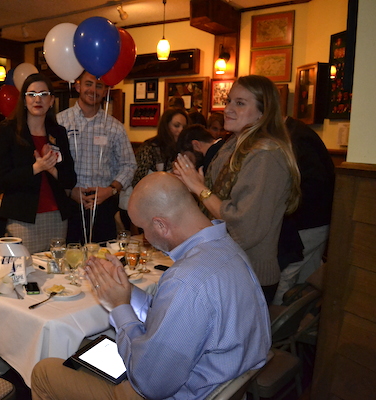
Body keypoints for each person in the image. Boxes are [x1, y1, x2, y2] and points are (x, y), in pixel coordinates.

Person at [31, 172, 271, 400]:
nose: (144, 238)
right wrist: (126, 291)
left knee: (45, 371)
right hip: (219, 380)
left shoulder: (186, 280)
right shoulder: (227, 247)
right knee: (89, 351)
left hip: (175, 391)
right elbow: (172, 316)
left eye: (143, 229)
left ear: (161, 225)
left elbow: (149, 384)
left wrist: (118, 307)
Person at [173, 75, 301, 304]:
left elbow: (244, 225)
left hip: (249, 274)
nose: (228, 109)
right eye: (229, 101)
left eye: (240, 103)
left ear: (263, 112)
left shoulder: (266, 155)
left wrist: (200, 188)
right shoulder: (232, 145)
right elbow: (214, 202)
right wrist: (194, 186)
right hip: (226, 267)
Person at [0, 73, 76, 253]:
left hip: (57, 216)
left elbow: (70, 179)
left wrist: (52, 169)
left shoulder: (58, 132)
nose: (37, 99)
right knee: (25, 273)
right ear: (24, 101)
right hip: (23, 217)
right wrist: (36, 168)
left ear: (52, 100)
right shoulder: (9, 130)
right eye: (31, 94)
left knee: (56, 271)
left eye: (43, 94)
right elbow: (2, 180)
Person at [57, 71, 136, 244]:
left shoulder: (115, 127)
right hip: (68, 204)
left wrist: (111, 190)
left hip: (103, 205)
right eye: (88, 84)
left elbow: (129, 165)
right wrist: (70, 192)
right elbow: (52, 165)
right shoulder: (60, 122)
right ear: (78, 86)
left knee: (102, 258)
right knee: (70, 260)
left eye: (99, 85)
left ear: (106, 90)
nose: (93, 90)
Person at [273, 116, 335, 304]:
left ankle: (274, 327)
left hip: (307, 222)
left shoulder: (297, 137)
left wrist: (283, 207)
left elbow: (315, 184)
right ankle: (300, 327)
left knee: (285, 275)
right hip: (313, 221)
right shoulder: (293, 133)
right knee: (308, 276)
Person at [132, 108, 188, 188]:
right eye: (176, 126)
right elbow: (137, 180)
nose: (181, 130)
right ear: (166, 126)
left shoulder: (184, 149)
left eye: (184, 127)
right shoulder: (149, 148)